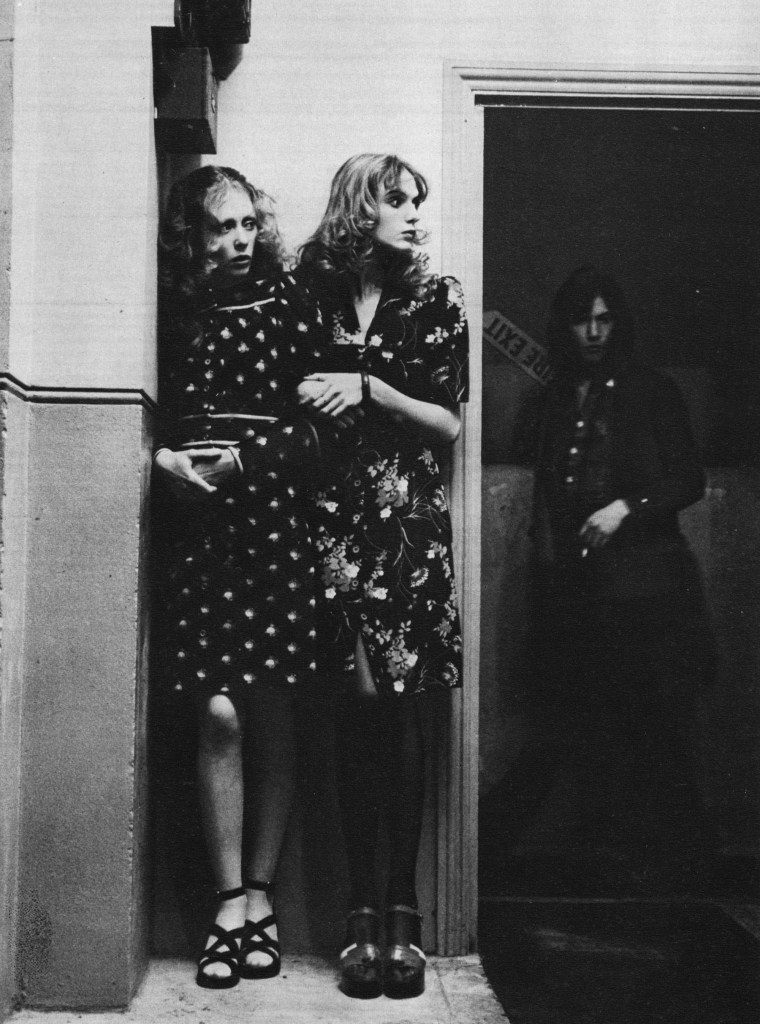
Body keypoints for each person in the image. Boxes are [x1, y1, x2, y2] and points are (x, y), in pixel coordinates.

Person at [153, 165, 337, 989]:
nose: (236, 241)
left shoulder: (291, 305)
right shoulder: (177, 313)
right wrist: (163, 460)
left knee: (273, 710)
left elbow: (323, 433)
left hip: (272, 525)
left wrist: (246, 459)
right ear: (192, 236)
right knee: (219, 714)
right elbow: (152, 417)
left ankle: (259, 899)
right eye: (218, 227)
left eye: (245, 225)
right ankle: (228, 900)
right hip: (200, 533)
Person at [296, 153, 469, 999]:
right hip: (331, 526)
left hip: (405, 532)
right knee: (353, 705)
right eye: (396, 200)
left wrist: (369, 387)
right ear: (359, 206)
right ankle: (358, 915)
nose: (412, 213)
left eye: (415, 202)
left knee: (400, 706)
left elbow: (447, 422)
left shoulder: (438, 299)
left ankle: (403, 917)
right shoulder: (312, 296)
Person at [527, 264, 716, 885]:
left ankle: (685, 880)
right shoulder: (556, 395)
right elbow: (548, 495)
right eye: (583, 320)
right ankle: (613, 877)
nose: (594, 332)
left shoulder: (651, 389)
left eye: (605, 320)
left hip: (652, 593)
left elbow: (689, 479)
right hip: (585, 596)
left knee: (656, 732)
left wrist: (626, 509)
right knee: (594, 733)